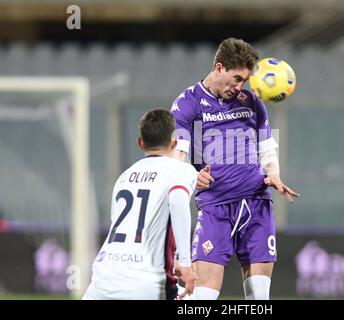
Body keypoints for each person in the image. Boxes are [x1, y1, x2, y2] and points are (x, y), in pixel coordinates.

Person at [171, 38, 299, 300]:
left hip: (257, 204)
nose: (240, 86)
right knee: (202, 298)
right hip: (216, 207)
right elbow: (177, 159)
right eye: (237, 78)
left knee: (258, 298)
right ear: (219, 68)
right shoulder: (188, 103)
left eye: (245, 80)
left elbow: (266, 149)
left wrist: (273, 173)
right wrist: (193, 176)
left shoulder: (251, 102)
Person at [83, 109, 198, 300]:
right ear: (174, 142)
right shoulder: (182, 170)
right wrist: (184, 262)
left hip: (102, 281)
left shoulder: (124, 177)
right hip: (146, 284)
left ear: (140, 143)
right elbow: (178, 201)